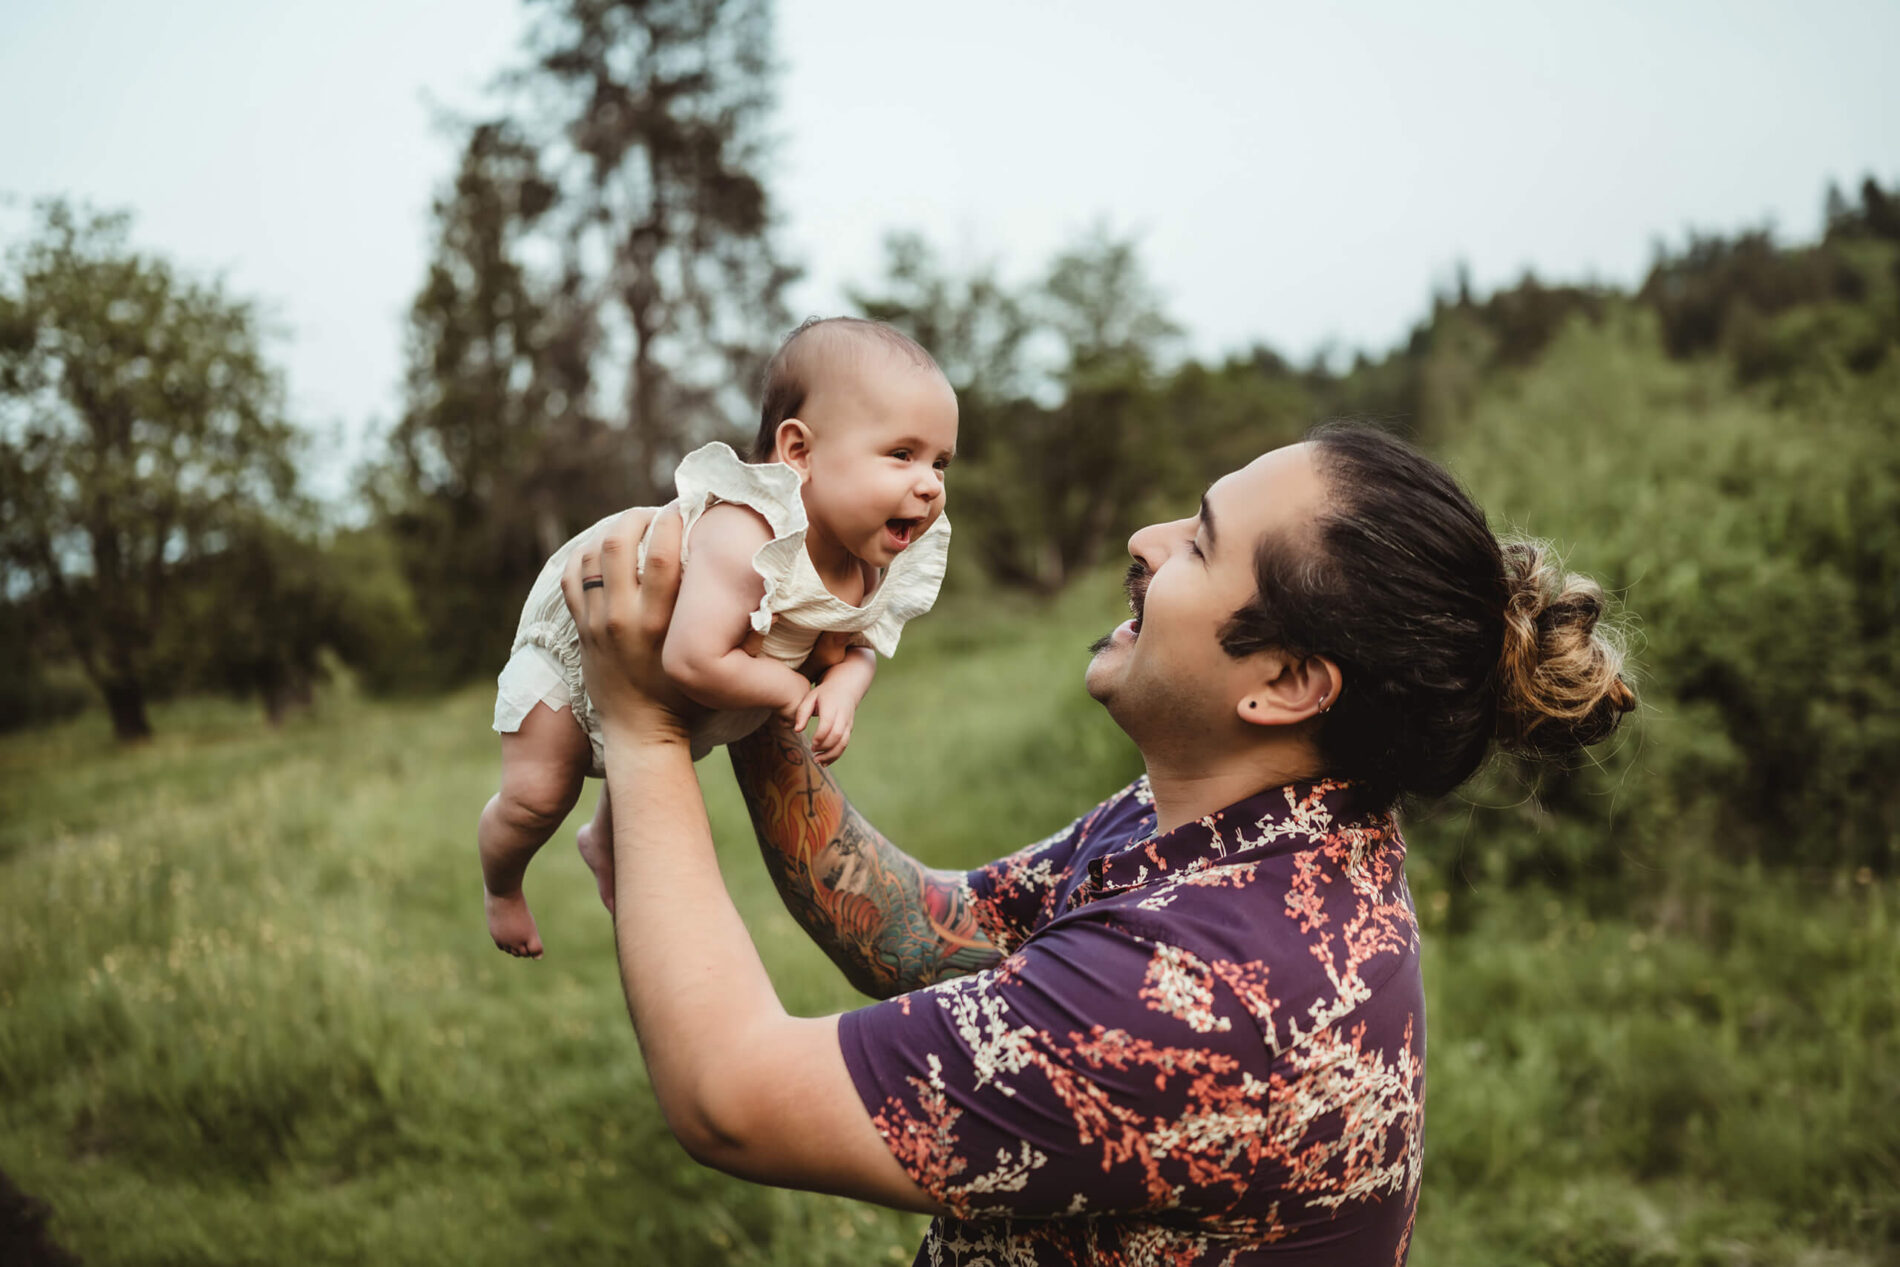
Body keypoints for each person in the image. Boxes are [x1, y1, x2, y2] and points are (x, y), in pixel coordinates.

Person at [560, 422, 1636, 1264]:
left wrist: (646, 728)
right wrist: (761, 657)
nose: (1147, 541)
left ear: (1286, 684)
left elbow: (732, 1099)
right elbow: (932, 936)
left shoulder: (1216, 992)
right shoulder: (1258, 822)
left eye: (1200, 543)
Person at [479, 317, 957, 958]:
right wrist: (789, 687)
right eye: (902, 454)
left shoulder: (866, 563)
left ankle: (604, 843)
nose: (929, 484)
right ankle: (503, 886)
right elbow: (689, 657)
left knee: (657, 767)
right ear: (799, 452)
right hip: (580, 653)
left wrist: (844, 685)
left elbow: (860, 641)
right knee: (539, 796)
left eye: (940, 462)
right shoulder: (747, 536)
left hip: (675, 702)